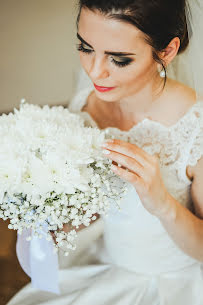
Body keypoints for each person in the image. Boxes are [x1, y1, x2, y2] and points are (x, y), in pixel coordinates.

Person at [7, 0, 203, 304]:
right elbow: (98, 210)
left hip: (179, 283)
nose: (95, 72)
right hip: (108, 266)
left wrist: (163, 204)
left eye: (119, 60)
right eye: (85, 47)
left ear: (166, 51)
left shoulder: (195, 128)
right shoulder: (85, 103)